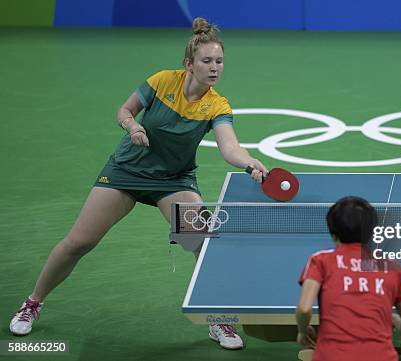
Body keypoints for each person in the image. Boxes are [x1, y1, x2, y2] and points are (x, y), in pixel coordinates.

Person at [9, 17, 266, 350]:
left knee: (203, 247)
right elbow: (125, 111)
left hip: (173, 181)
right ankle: (32, 303)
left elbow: (229, 147)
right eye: (207, 61)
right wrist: (133, 128)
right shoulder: (161, 81)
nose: (215, 67)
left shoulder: (217, 105)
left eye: (219, 61)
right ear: (189, 63)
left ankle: (217, 320)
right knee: (79, 242)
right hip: (127, 171)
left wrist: (249, 163)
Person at [295, 196, 401, 361]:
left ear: (333, 234)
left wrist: (303, 331)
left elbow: (304, 309)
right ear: (371, 233)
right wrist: (394, 319)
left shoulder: (320, 261)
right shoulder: (391, 266)